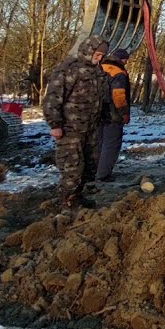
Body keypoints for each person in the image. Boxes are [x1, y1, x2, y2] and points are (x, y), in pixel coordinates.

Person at [42, 36, 109, 209]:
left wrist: (106, 116)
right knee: (72, 167)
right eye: (98, 54)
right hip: (70, 129)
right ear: (89, 50)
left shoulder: (98, 71)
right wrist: (55, 125)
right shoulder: (68, 69)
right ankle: (67, 201)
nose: (100, 58)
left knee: (89, 165)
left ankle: (78, 196)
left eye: (102, 55)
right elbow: (53, 99)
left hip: (91, 128)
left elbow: (102, 97)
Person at [96, 51, 132, 182]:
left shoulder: (99, 67)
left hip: (97, 112)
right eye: (126, 60)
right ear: (121, 59)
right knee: (111, 144)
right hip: (112, 113)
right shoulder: (118, 73)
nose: (126, 62)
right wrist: (124, 113)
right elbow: (118, 96)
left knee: (99, 142)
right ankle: (103, 174)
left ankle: (95, 171)